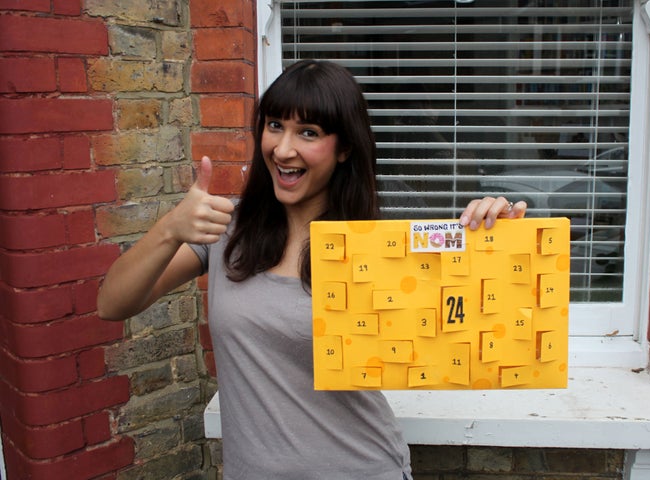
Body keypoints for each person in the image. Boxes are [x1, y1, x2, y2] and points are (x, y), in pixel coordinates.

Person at [98, 59, 527, 480]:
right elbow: (112, 303)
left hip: (362, 468)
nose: (284, 149)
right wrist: (169, 229)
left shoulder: (378, 244)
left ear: (343, 149)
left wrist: (492, 239)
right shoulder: (228, 229)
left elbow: (473, 324)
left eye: (309, 132)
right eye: (274, 126)